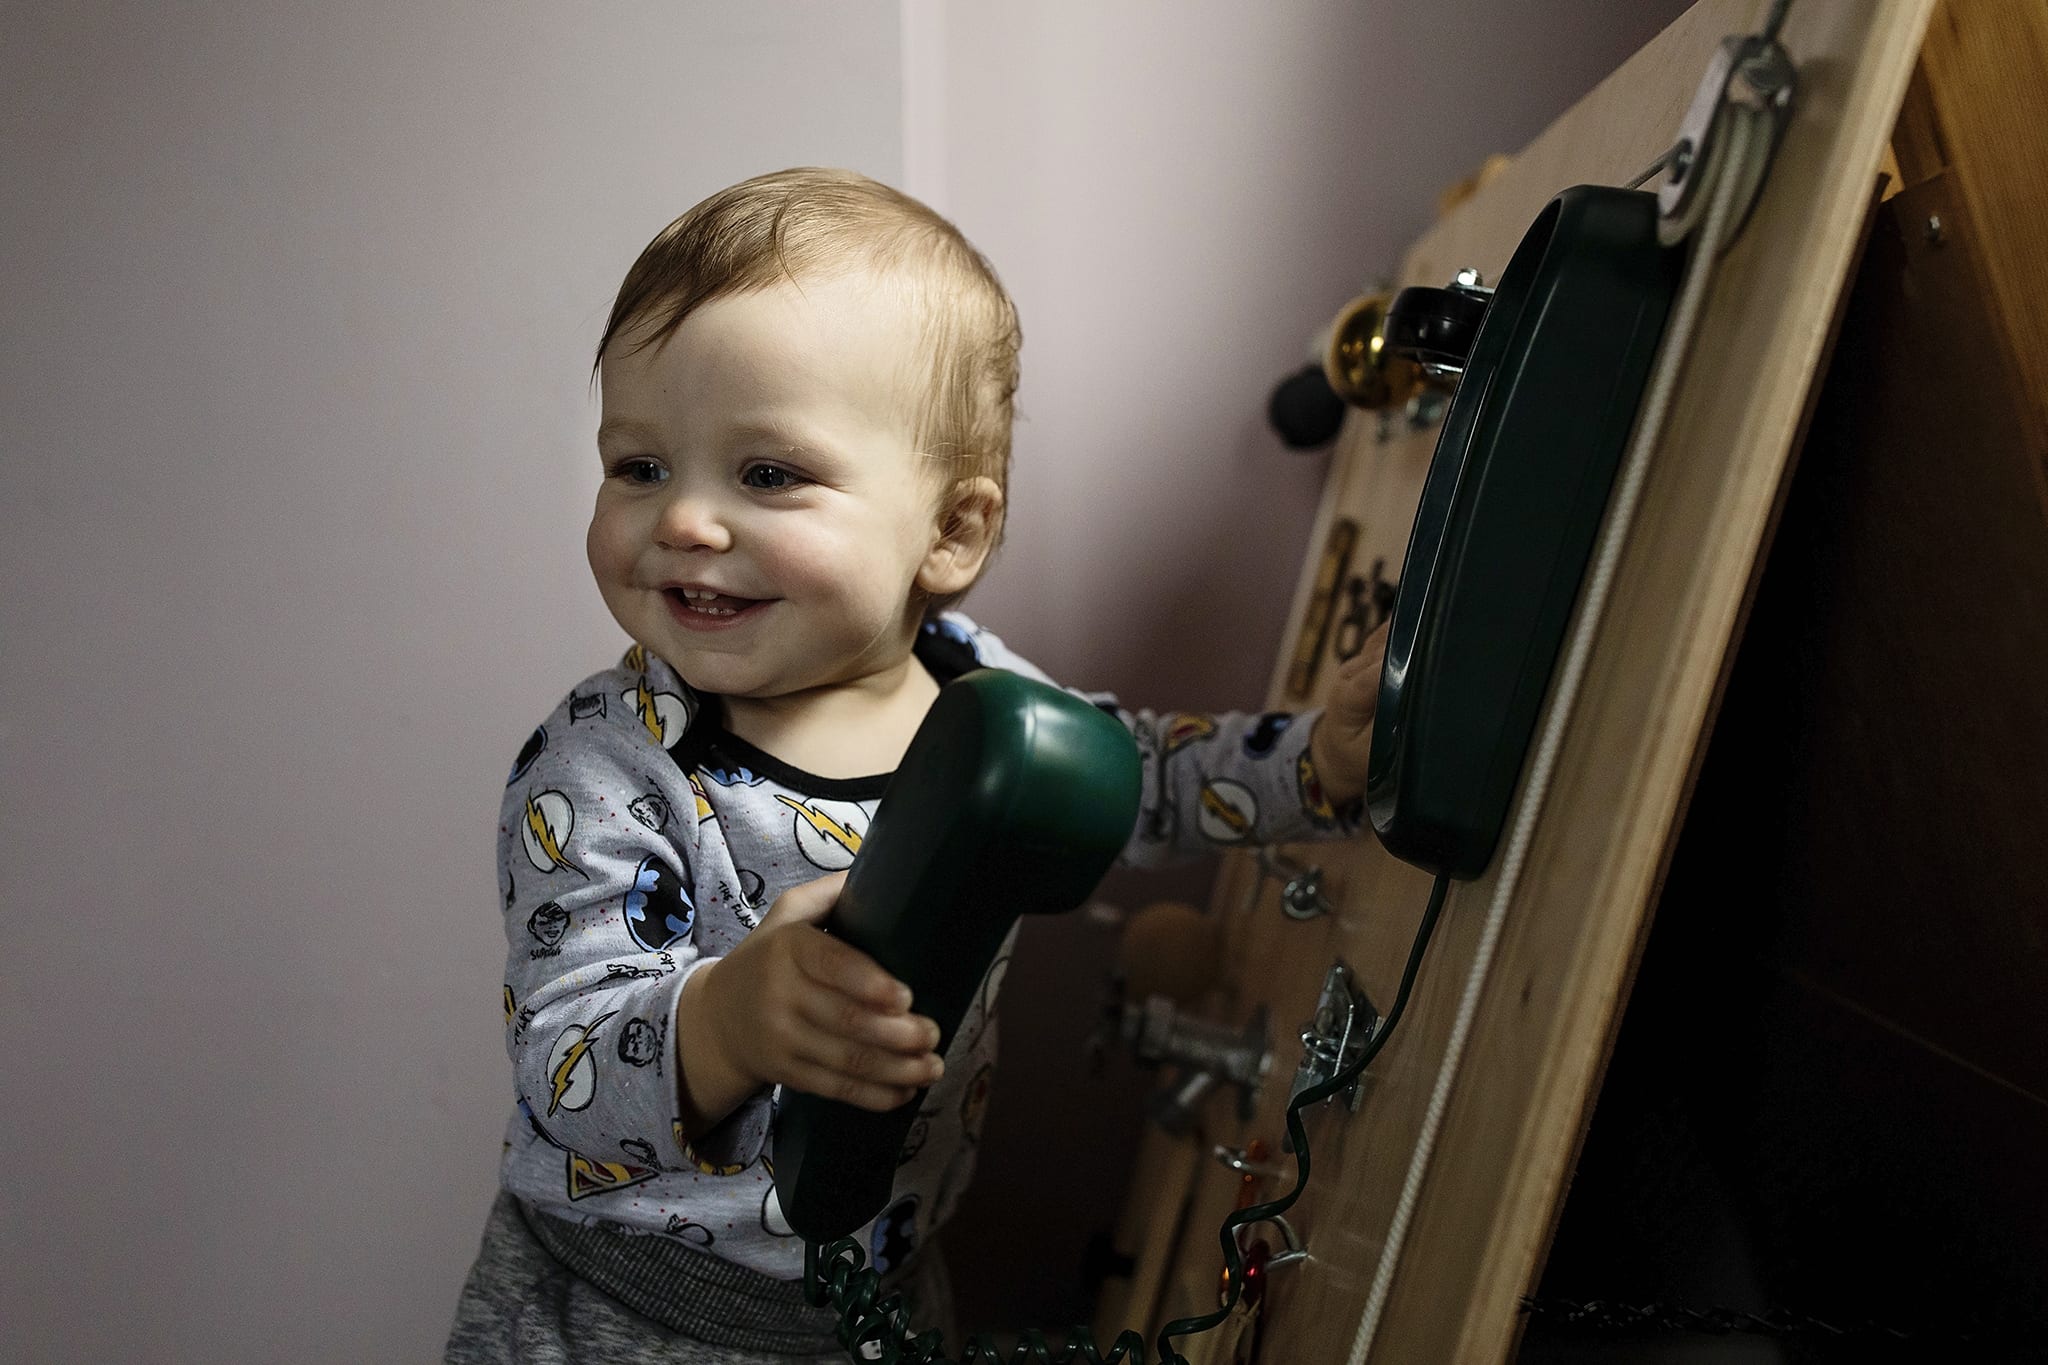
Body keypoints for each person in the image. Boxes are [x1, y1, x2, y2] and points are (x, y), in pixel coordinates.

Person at [445, 167, 1390, 1364]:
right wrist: (729, 1018)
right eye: (638, 467)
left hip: (879, 1287)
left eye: (767, 474)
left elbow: (1139, 777)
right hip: (624, 1312)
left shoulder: (979, 700)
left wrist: (1318, 765)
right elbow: (564, 1063)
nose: (681, 521)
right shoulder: (599, 771)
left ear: (950, 533)